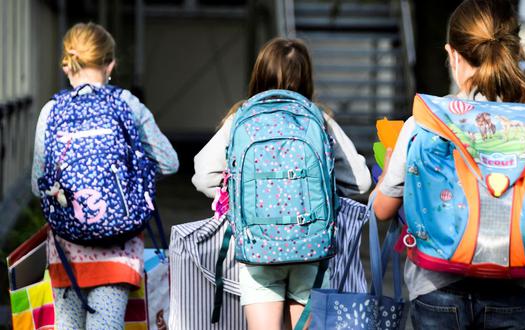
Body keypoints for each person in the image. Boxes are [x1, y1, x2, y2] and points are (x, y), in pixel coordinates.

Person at [372, 0, 525, 329]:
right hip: (516, 286)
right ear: (514, 50)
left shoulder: (426, 123)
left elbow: (381, 210)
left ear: (453, 55)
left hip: (437, 287)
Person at [192, 37, 371, 330]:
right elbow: (361, 182)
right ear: (307, 77)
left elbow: (202, 174)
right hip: (311, 247)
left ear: (259, 73)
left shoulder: (240, 119)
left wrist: (237, 197)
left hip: (257, 248)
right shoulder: (320, 120)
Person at [31, 22, 179, 329]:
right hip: (118, 247)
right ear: (110, 63)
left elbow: (37, 185)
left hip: (66, 248)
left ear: (66, 64)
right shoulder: (127, 105)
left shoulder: (51, 111)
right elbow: (169, 162)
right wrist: (129, 180)